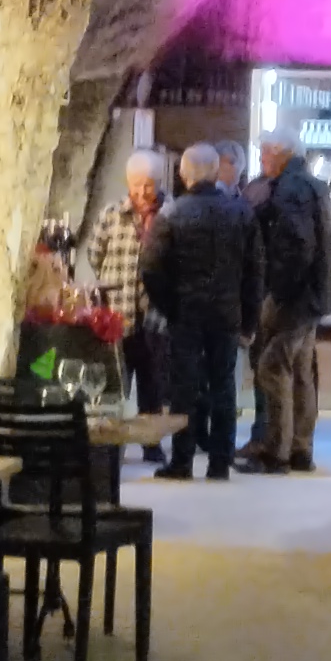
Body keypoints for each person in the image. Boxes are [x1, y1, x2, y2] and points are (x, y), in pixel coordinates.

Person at [140, 143, 263, 479]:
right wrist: (249, 319)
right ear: (216, 171)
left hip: (185, 313)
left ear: (183, 174)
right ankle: (220, 462)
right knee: (224, 385)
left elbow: (150, 267)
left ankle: (182, 460)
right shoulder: (241, 213)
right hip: (226, 312)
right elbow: (255, 271)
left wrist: (169, 305)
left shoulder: (172, 213)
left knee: (185, 387)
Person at [237, 139, 331, 473]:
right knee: (299, 370)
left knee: (273, 366)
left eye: (265, 153)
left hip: (296, 295)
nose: (261, 159)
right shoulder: (310, 184)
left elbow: (297, 245)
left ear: (280, 153)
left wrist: (279, 291)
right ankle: (300, 448)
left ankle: (276, 451)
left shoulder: (290, 188)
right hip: (314, 295)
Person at [90, 160, 168, 409]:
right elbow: (95, 255)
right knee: (114, 391)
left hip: (156, 320)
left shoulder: (170, 215)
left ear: (160, 183)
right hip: (118, 318)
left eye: (149, 185)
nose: (142, 192)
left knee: (153, 392)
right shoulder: (111, 214)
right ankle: (113, 435)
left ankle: (151, 435)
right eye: (136, 185)